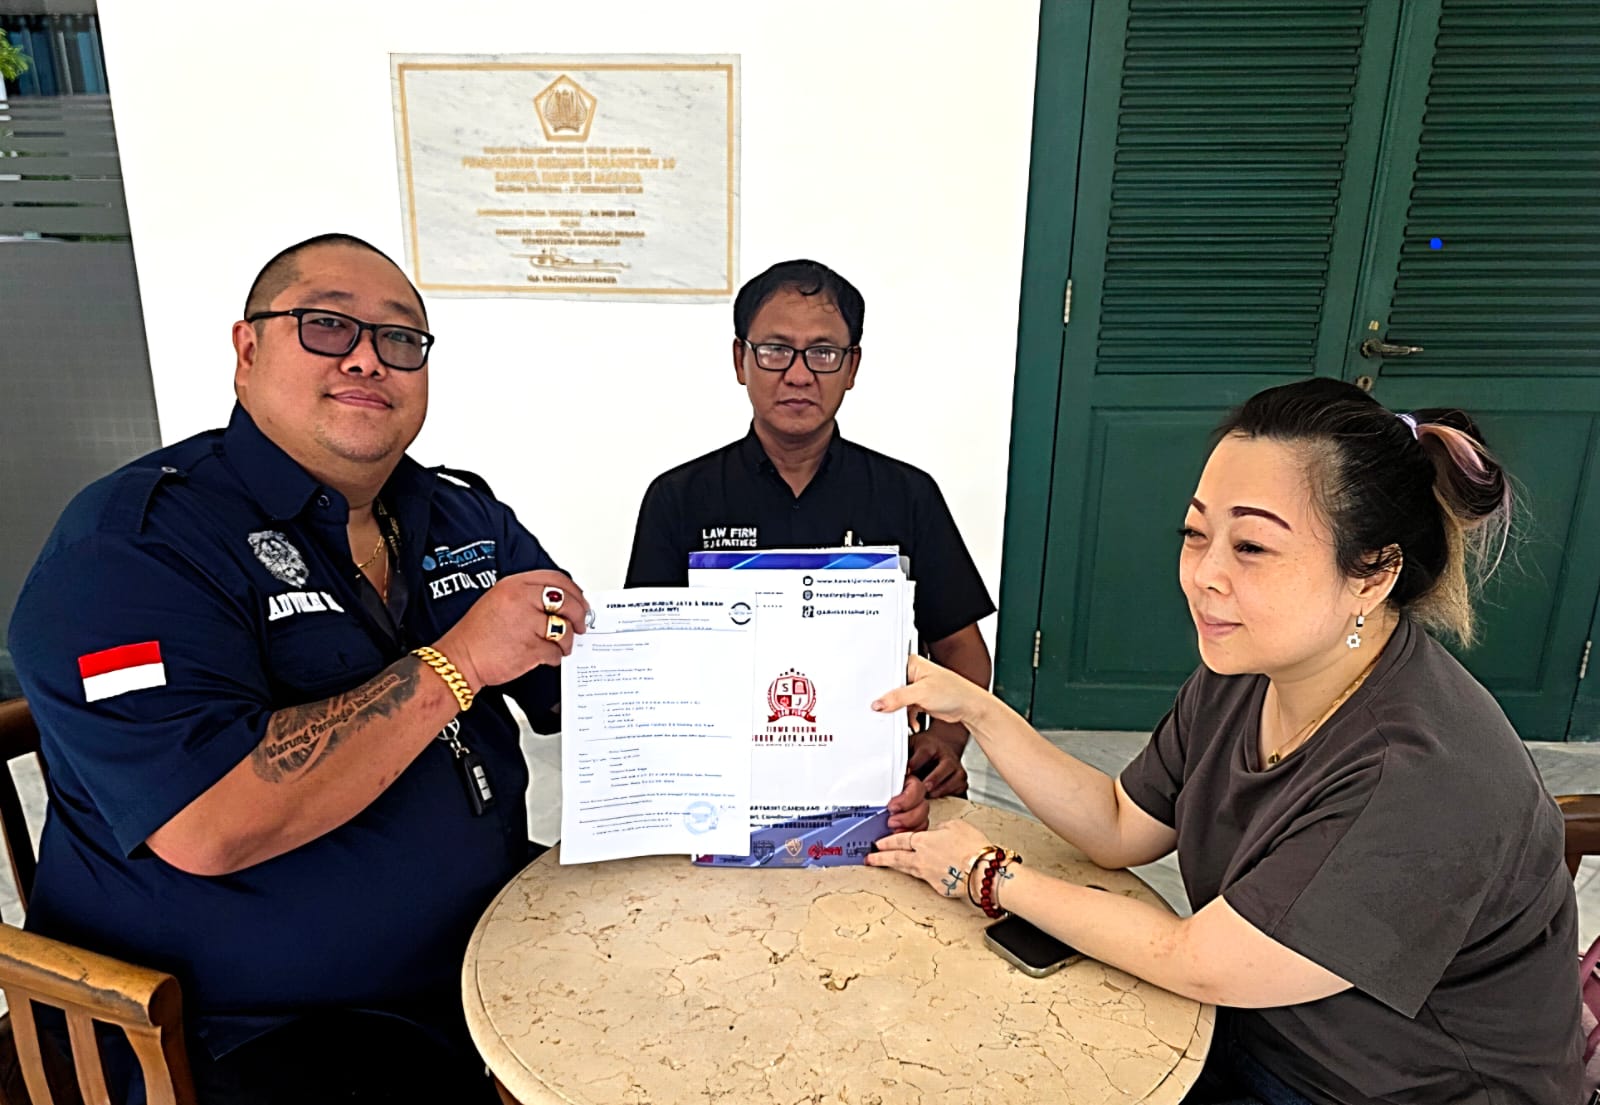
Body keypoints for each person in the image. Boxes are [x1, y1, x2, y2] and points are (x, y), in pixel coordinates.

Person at [865, 378, 1583, 1104]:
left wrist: (988, 873)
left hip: (1379, 1089)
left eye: (1252, 546)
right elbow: (1119, 824)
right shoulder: (1250, 670)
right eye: (1196, 534)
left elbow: (1201, 959)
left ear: (1373, 574)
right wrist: (978, 709)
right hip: (1248, 1034)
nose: (1205, 575)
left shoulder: (1421, 771)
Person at [7, 233, 591, 1104]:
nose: (367, 357)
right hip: (238, 1027)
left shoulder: (458, 515)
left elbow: (590, 687)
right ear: (247, 350)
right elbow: (209, 821)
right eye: (326, 325)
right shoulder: (133, 546)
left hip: (480, 948)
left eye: (400, 338)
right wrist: (458, 661)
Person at [625, 258, 992, 801]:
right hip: (721, 780)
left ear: (852, 366)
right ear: (740, 360)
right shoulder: (678, 498)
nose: (798, 375)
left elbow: (963, 650)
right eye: (775, 350)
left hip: (875, 781)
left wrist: (944, 740)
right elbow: (646, 656)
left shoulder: (907, 494)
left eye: (823, 353)